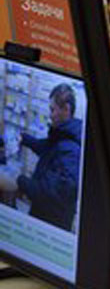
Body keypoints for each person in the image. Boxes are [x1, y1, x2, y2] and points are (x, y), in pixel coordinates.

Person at [0, 83, 81, 231]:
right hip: (43, 214)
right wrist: (24, 138)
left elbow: (48, 194)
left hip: (50, 224)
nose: (50, 115)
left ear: (66, 109)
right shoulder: (64, 135)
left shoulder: (71, 150)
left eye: (52, 109)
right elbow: (46, 148)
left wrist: (19, 180)